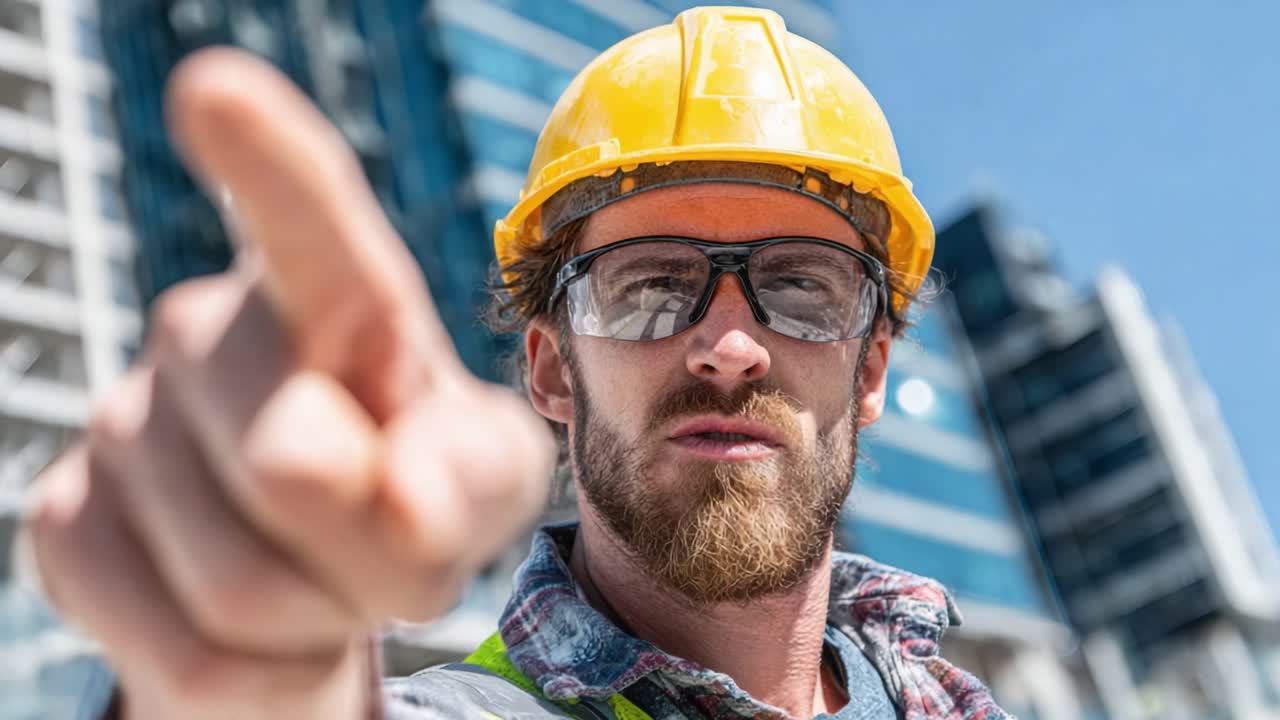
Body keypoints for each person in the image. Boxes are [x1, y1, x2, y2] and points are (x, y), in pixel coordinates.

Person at [23, 7, 1012, 719]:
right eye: (647, 286)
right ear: (548, 371)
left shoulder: (950, 700)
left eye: (803, 289)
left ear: (871, 370)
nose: (727, 349)